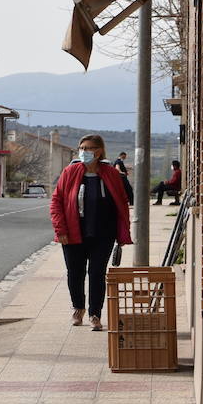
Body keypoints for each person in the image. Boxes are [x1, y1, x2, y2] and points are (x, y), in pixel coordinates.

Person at [49, 134, 133, 331]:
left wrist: (122, 233)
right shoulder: (70, 172)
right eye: (82, 147)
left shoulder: (111, 174)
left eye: (88, 148)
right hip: (72, 232)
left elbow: (121, 203)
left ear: (99, 151)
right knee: (75, 273)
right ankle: (78, 308)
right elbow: (57, 202)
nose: (84, 152)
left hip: (103, 234)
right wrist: (60, 229)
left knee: (96, 274)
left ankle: (95, 314)